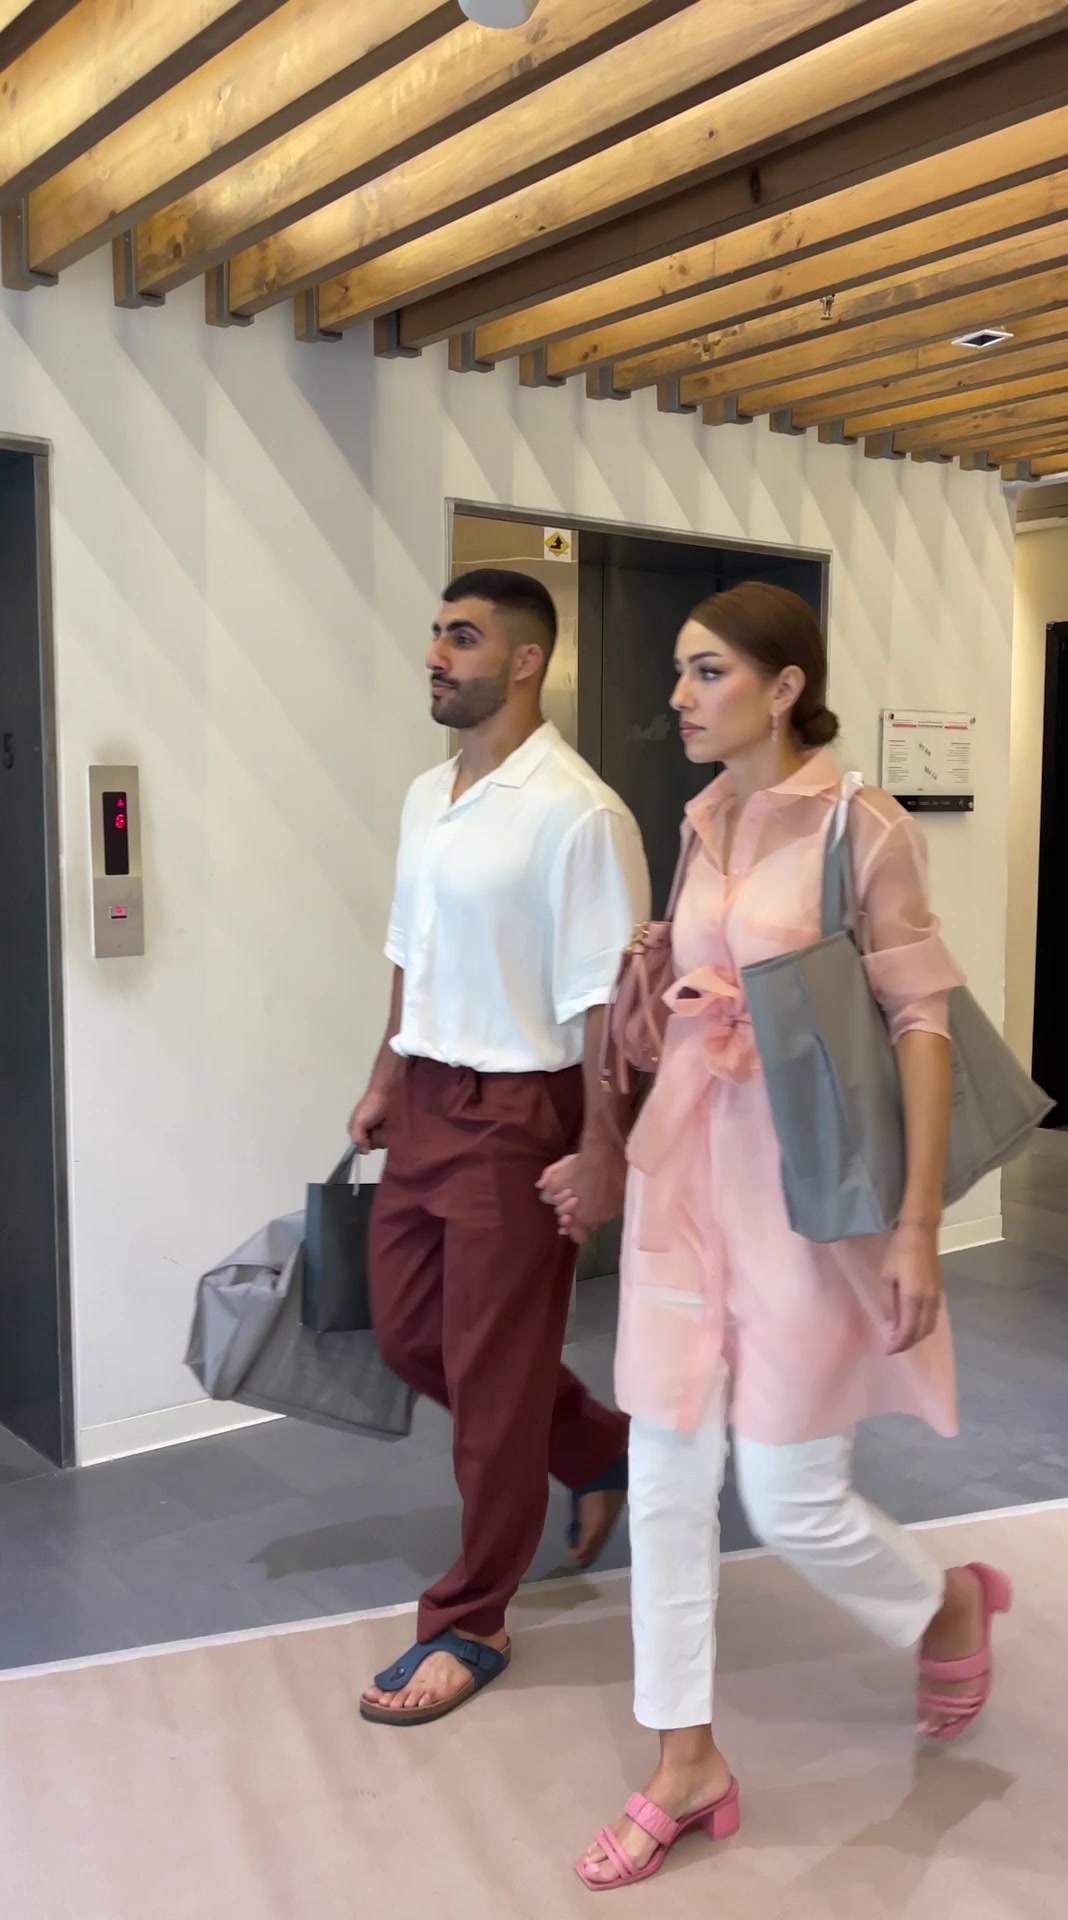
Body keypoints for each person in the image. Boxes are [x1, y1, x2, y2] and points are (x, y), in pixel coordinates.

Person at [543, 583, 1011, 1890]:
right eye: (682, 672)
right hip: (688, 1179)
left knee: (793, 1499)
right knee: (666, 1478)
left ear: (785, 684)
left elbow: (919, 1020)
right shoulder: (699, 823)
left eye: (708, 672)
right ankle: (683, 1760)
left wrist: (917, 1225)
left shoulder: (862, 823)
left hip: (807, 1197)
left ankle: (947, 1603)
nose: (680, 697)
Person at [349, 567, 650, 1728]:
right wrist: (386, 1074)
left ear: (526, 661)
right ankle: (598, 1445)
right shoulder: (429, 795)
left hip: (523, 1113)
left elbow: (604, 1007)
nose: (436, 654)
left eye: (463, 637)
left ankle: (472, 1618)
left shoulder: (578, 813)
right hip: (428, 1094)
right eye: (435, 633)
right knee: (406, 1331)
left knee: (490, 1375)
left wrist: (605, 1149)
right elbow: (407, 950)